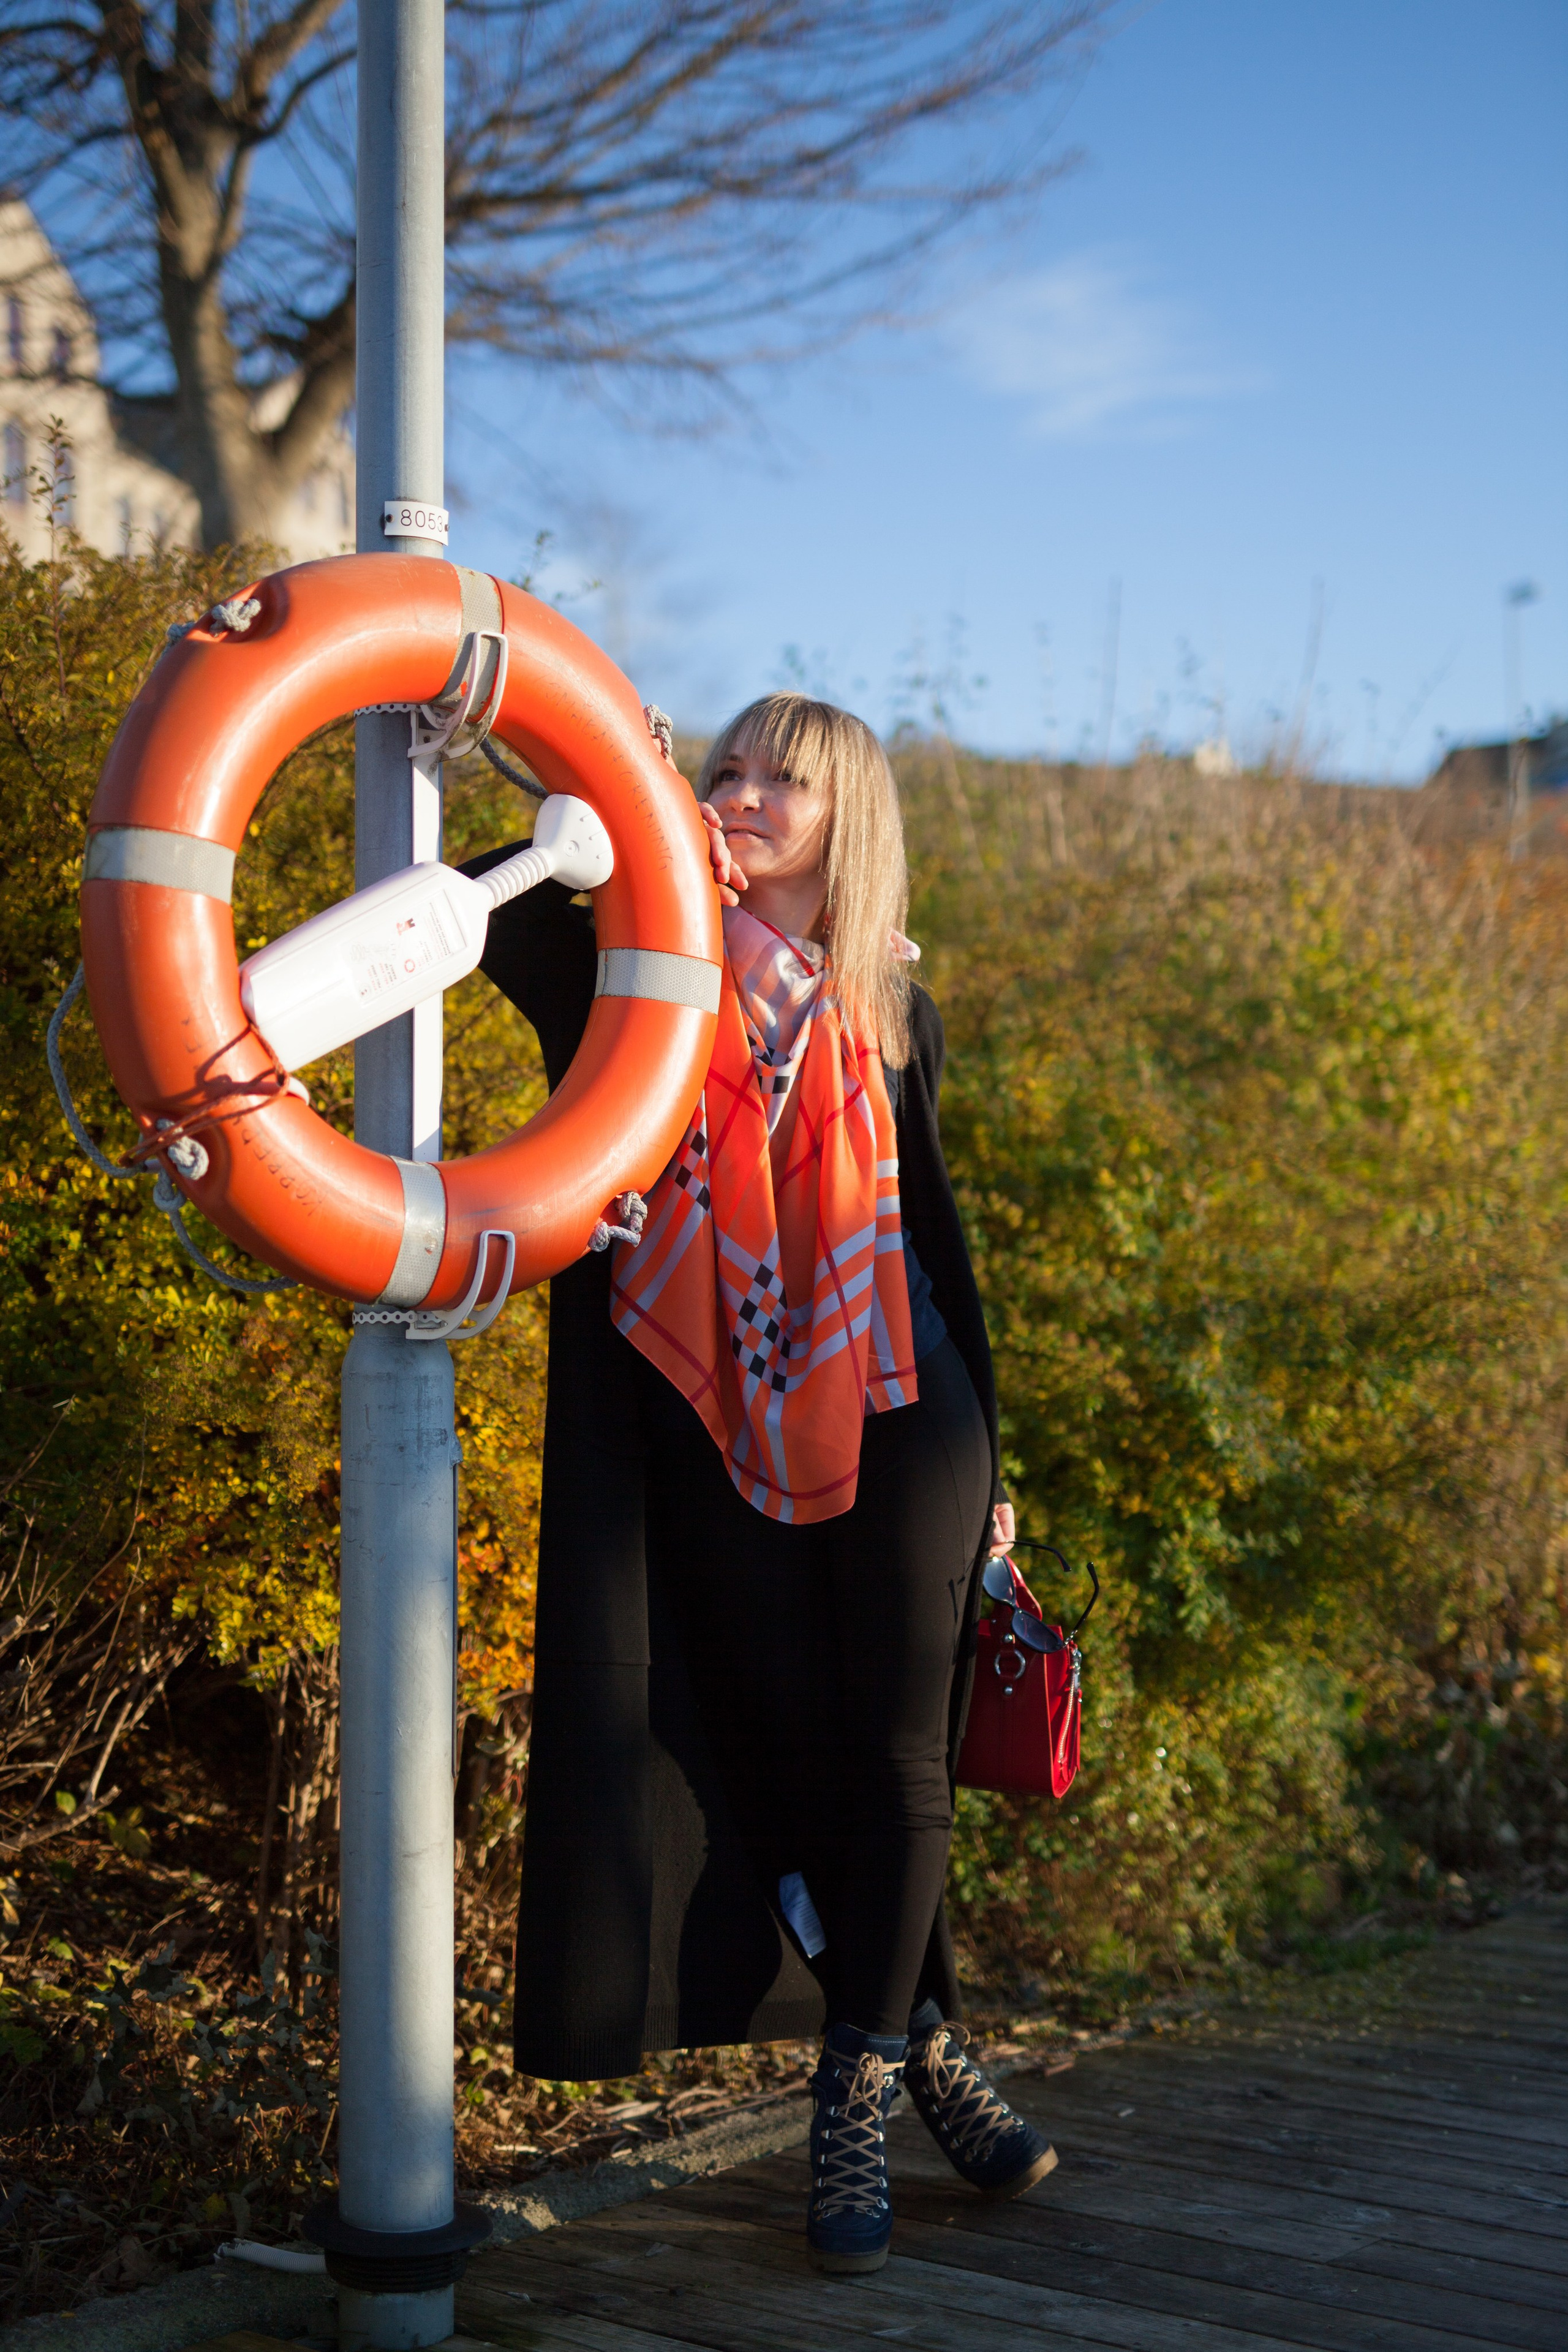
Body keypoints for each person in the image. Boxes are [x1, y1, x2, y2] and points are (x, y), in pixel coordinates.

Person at [465, 692, 1053, 2275]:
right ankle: (923, 2045)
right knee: (790, 1759)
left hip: (906, 1406)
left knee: (903, 1758)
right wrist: (599, 790)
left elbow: (935, 1237)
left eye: (770, 777)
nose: (735, 794)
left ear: (844, 811)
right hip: (715, 1412)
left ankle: (850, 2085)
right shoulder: (640, 961)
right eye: (718, 768)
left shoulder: (891, 1010)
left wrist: (996, 1458)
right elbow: (488, 912)